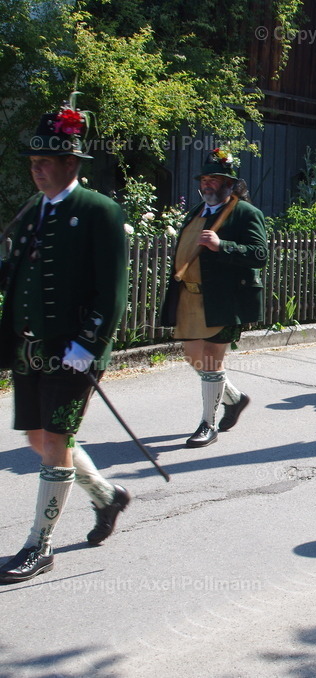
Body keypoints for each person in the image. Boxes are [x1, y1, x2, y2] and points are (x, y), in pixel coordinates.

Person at [0, 99, 130, 584]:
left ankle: (40, 545)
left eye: (44, 163)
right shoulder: (34, 209)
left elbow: (111, 288)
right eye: (32, 163)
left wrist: (88, 345)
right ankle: (107, 496)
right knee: (37, 438)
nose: (35, 171)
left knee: (55, 440)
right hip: (29, 348)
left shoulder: (99, 211)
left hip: (72, 351)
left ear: (70, 164)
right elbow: (16, 273)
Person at [160, 149, 267, 447]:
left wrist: (223, 246)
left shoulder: (246, 213)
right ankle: (235, 398)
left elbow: (260, 255)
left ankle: (208, 424)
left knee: (210, 361)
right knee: (194, 357)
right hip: (190, 300)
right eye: (205, 179)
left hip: (226, 300)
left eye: (214, 179)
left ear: (229, 184)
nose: (207, 185)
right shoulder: (196, 212)